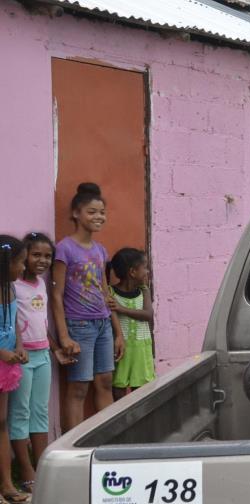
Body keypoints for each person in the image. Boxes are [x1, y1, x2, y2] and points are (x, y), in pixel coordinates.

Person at [50, 183, 124, 432]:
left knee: (104, 382)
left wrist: (118, 332)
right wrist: (64, 336)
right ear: (76, 214)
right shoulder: (64, 248)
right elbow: (56, 295)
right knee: (79, 387)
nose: (98, 217)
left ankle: (107, 440)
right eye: (92, 212)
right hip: (79, 326)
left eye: (102, 212)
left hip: (103, 325)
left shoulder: (100, 250)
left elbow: (105, 292)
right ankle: (74, 450)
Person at [10, 233, 74, 494]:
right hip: (21, 358)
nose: (42, 260)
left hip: (43, 355)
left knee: (40, 413)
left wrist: (55, 348)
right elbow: (11, 322)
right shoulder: (14, 286)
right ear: (24, 256)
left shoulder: (40, 284)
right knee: (20, 413)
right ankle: (25, 471)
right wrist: (19, 347)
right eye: (36, 254)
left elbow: (42, 322)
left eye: (47, 256)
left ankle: (42, 467)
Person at [0, 235, 28, 503]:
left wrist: (19, 347)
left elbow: (15, 324)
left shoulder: (11, 290)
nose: (23, 267)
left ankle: (7, 485)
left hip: (6, 365)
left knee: (1, 423)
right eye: (20, 262)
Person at [107, 248, 155, 400]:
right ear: (133, 272)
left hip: (141, 349)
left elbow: (147, 315)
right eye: (145, 267)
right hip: (122, 350)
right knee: (119, 389)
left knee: (141, 392)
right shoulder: (111, 293)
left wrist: (121, 308)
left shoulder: (144, 291)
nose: (147, 271)